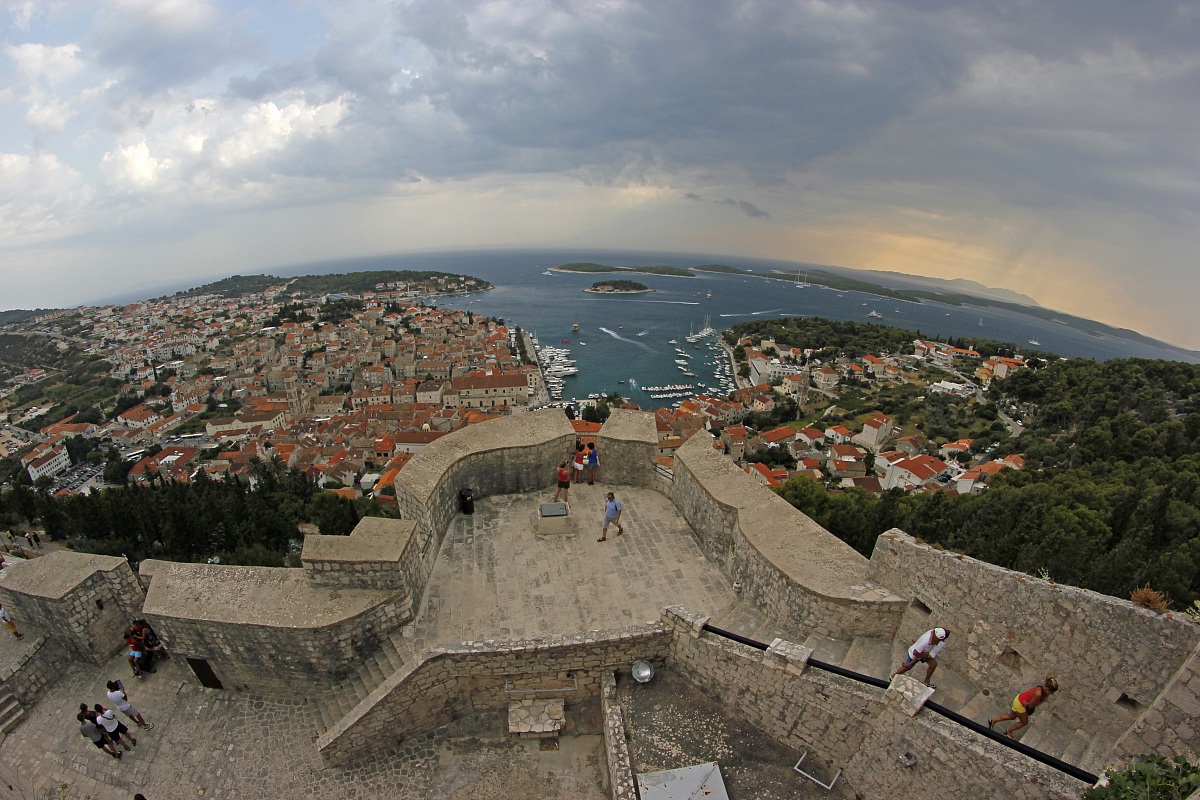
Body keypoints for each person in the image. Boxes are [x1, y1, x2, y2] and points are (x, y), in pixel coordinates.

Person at [989, 676, 1059, 738]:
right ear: (1047, 688)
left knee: (1012, 716)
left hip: (1019, 699)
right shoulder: (1038, 694)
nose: (1052, 693)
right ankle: (1008, 731)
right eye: (1051, 692)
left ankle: (993, 721)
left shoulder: (1043, 690)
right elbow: (1032, 705)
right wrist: (1042, 701)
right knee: (1024, 722)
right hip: (1020, 705)